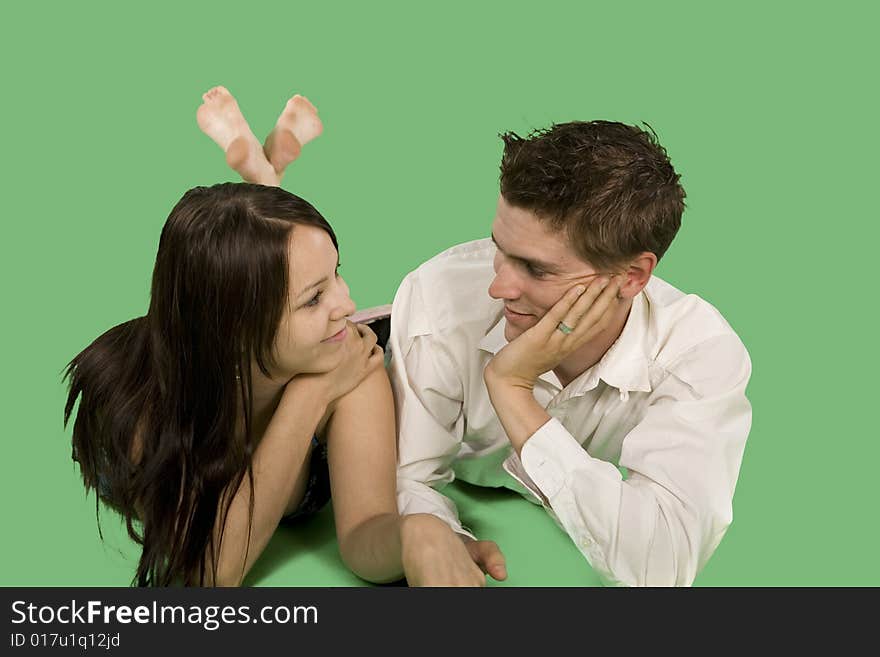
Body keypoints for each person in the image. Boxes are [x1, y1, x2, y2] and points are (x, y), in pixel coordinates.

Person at [64, 87, 416, 587]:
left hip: (239, 330)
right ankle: (264, 178)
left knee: (271, 263)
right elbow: (208, 577)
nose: (347, 304)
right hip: (190, 354)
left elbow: (368, 534)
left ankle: (264, 179)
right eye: (315, 298)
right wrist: (308, 398)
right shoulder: (142, 410)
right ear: (237, 332)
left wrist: (423, 534)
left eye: (339, 274)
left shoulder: (347, 361)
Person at [389, 121, 753, 587]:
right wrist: (439, 535)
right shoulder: (437, 300)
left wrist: (512, 388)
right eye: (501, 251)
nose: (498, 286)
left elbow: (662, 564)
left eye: (536, 270)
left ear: (632, 276)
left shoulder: (698, 353)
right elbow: (407, 479)